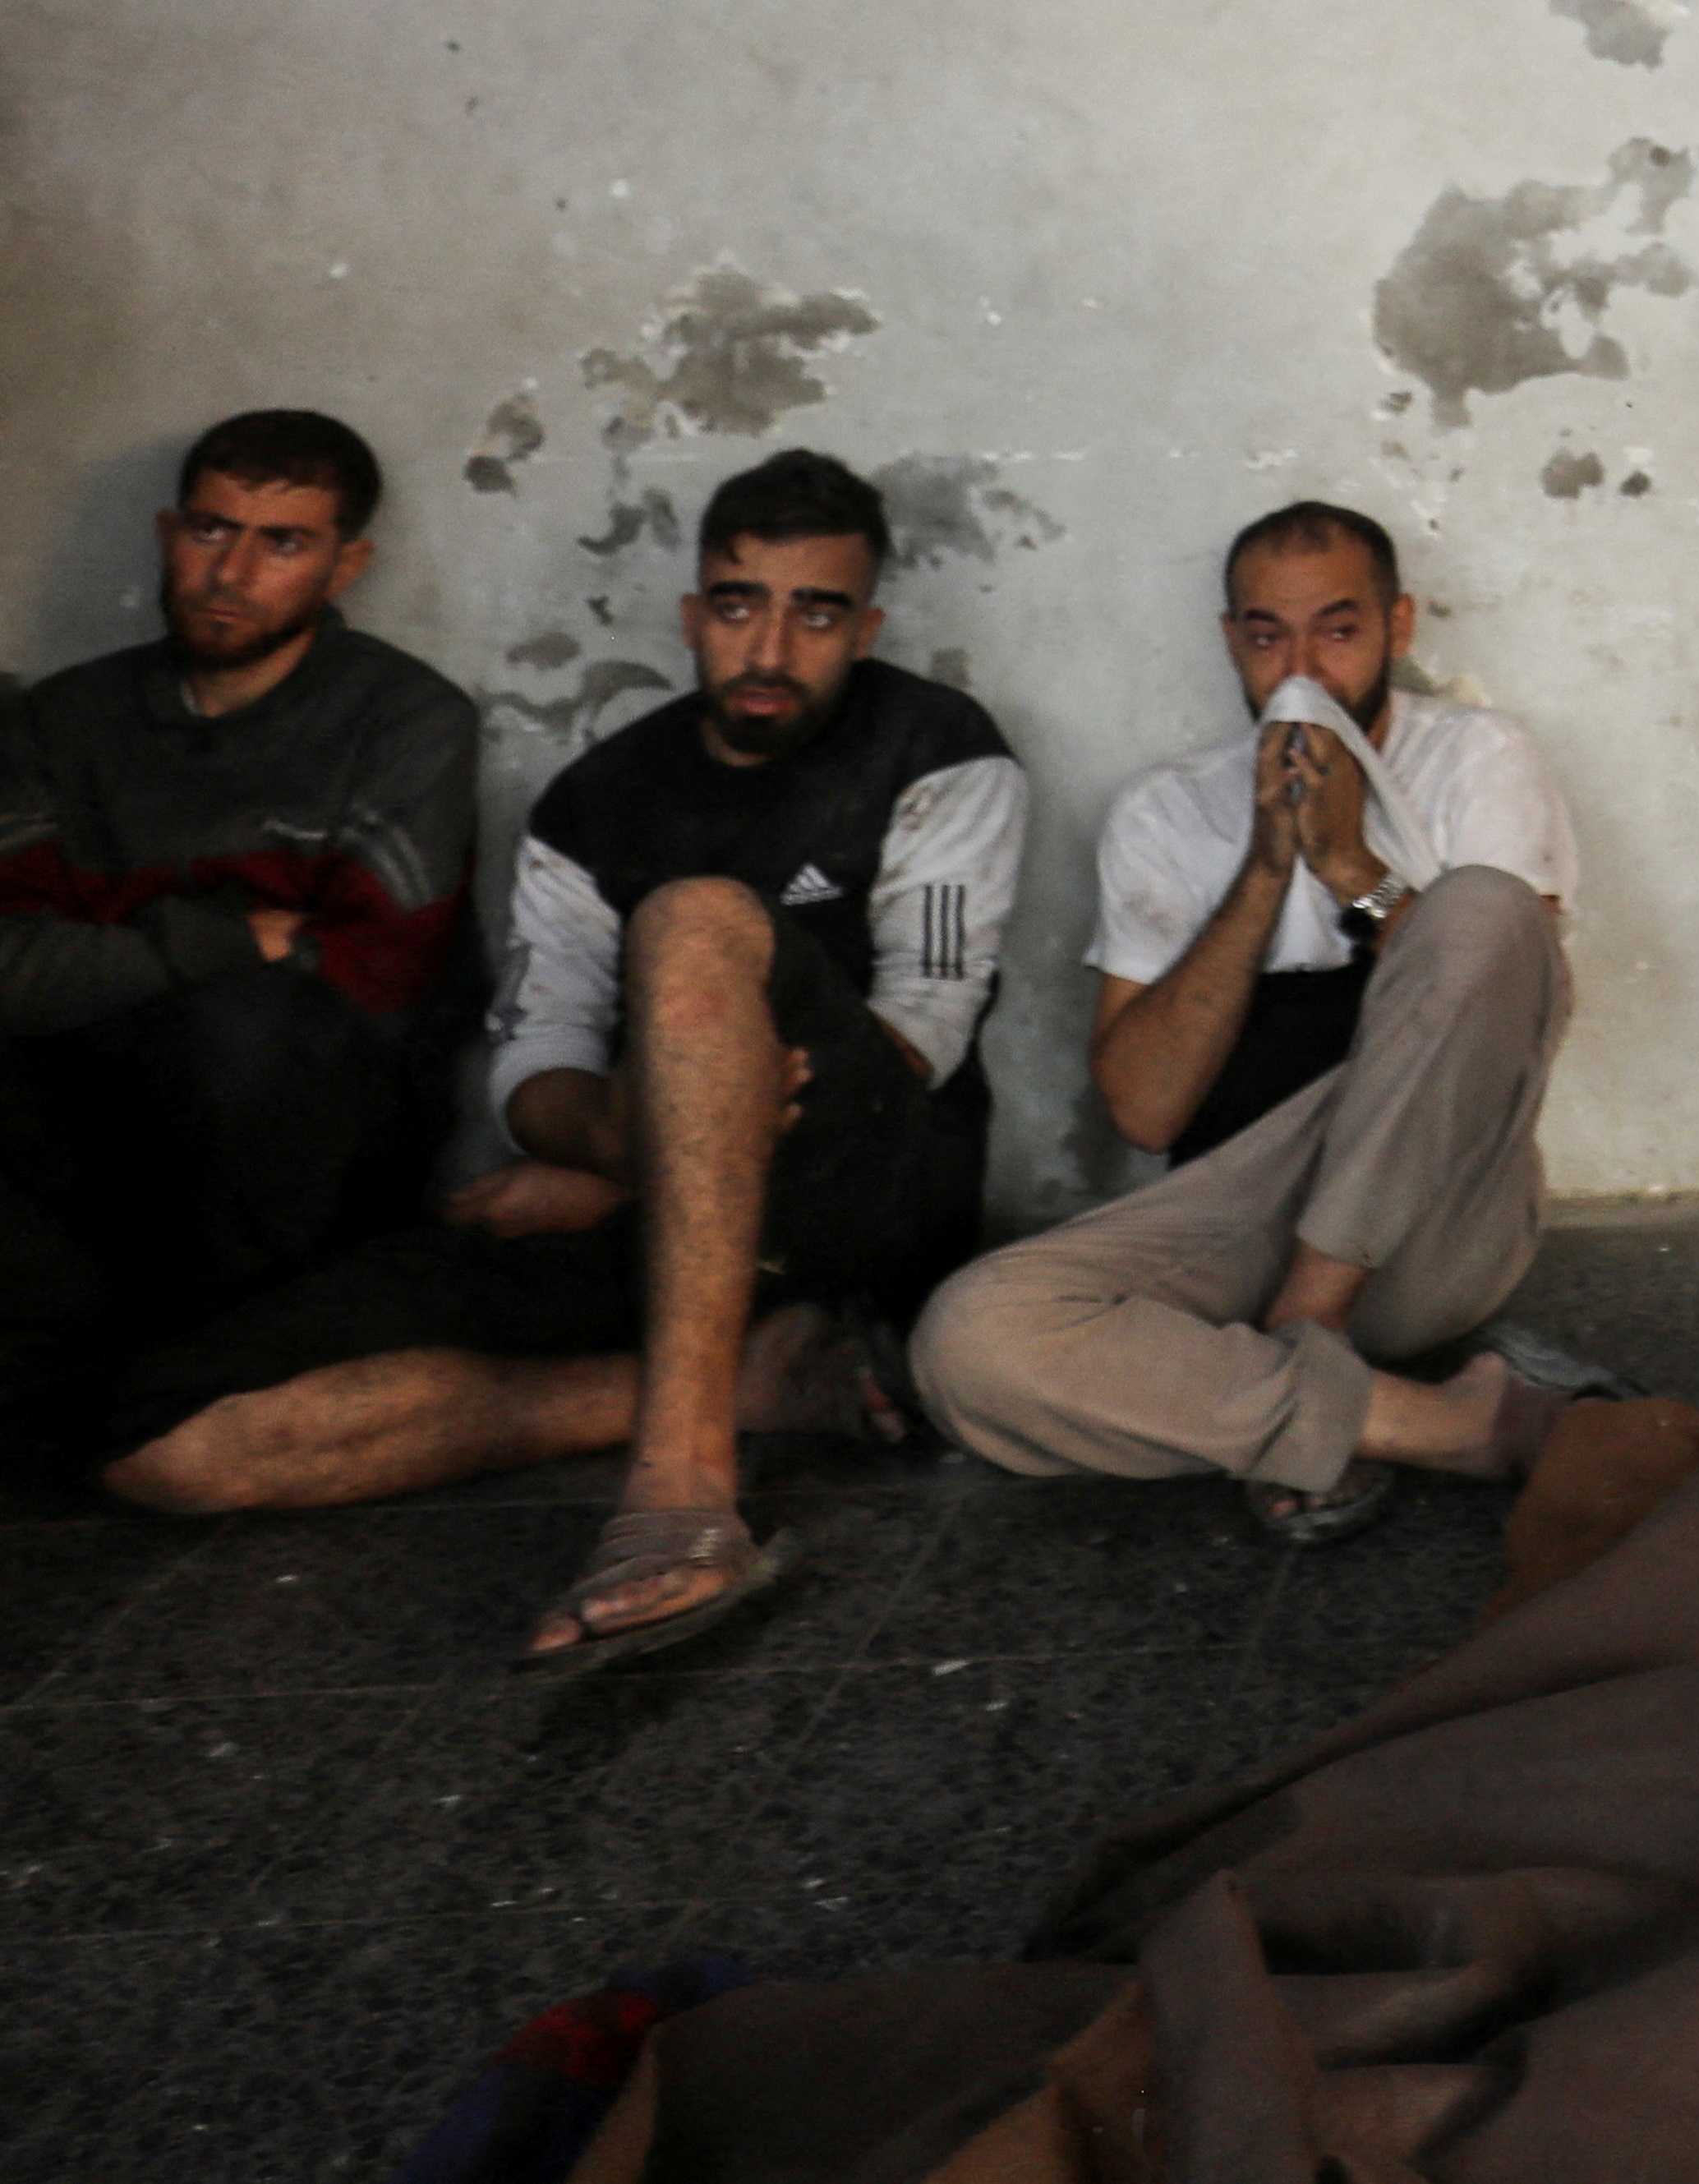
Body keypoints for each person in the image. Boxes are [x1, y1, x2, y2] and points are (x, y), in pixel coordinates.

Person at [101, 449, 1027, 1682]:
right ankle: (749, 1385)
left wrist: (637, 1159)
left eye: (816, 613)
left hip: (863, 1190)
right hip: (649, 1200)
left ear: (865, 628)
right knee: (171, 1451)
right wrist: (624, 1150)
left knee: (697, 919)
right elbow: (536, 1064)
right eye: (741, 603)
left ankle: (682, 1488)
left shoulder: (937, 744)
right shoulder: (601, 798)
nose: (771, 645)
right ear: (696, 614)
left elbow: (925, 1025)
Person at [909, 502, 1596, 1541]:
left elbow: (1509, 996)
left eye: (1338, 628)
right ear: (1234, 640)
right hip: (1236, 1224)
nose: (1303, 667)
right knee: (967, 1340)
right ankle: (1443, 1421)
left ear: (1398, 627)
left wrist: (1347, 867)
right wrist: (1268, 866)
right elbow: (1144, 1111)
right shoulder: (1162, 813)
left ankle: (1306, 1331)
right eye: (1269, 636)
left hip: (1433, 1219)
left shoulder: (1478, 758)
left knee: (1486, 908)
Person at [0, 411, 479, 1477]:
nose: (231, 571)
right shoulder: (60, 720)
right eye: (211, 531)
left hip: (311, 1154)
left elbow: (372, 980)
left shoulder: (406, 721)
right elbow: (6, 966)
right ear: (169, 532)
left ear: (347, 562)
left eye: (282, 542)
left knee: (249, 1030)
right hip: (86, 1138)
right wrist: (205, 938)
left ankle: (188, 1379)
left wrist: (109, 953)